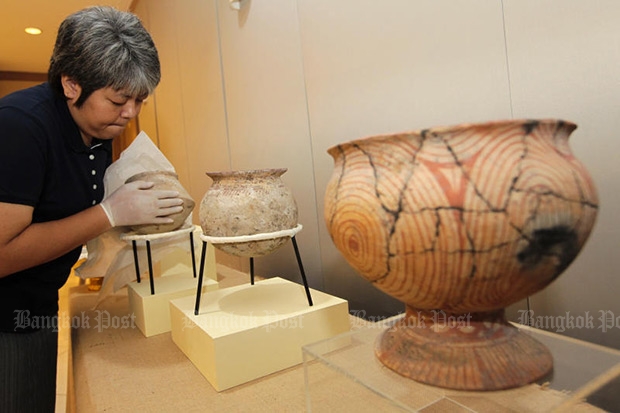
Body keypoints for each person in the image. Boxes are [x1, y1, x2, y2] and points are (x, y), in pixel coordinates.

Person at [0, 6, 182, 411]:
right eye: (118, 99)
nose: (131, 112)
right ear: (70, 84)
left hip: (40, 307)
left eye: (140, 99)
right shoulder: (19, 126)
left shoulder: (96, 128)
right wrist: (109, 213)